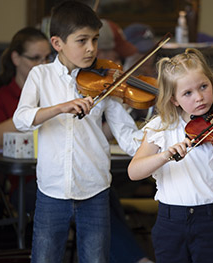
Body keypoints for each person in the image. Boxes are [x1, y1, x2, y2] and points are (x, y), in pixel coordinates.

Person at [12, 1, 143, 262]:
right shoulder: (40, 76)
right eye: (82, 40)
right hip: (52, 190)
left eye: (94, 39)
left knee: (96, 259)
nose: (91, 48)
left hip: (94, 188)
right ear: (57, 43)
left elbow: (127, 136)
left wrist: (159, 138)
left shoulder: (106, 78)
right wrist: (60, 108)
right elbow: (21, 119)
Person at [128, 48, 213, 263]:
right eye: (187, 93)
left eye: (203, 87)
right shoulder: (160, 127)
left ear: (212, 84)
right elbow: (134, 172)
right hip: (170, 222)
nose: (199, 97)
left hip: (212, 221)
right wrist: (164, 156)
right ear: (174, 99)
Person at [98, 18, 154, 263]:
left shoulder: (115, 89)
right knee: (100, 196)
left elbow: (129, 139)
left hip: (111, 171)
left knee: (105, 194)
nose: (118, 64)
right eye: (115, 56)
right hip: (48, 181)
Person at [0, 27, 52, 213]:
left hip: (60, 177)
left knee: (101, 194)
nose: (43, 64)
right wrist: (38, 112)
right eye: (35, 58)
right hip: (27, 184)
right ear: (16, 59)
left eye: (47, 58)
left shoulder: (55, 95)